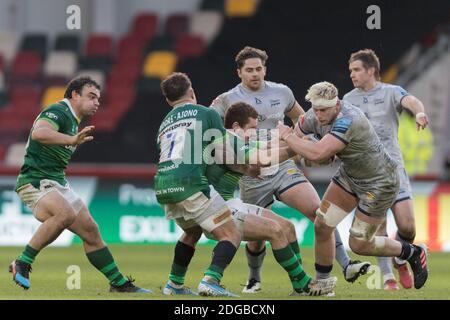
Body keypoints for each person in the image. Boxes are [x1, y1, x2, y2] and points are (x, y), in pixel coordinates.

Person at [210, 46, 369, 293]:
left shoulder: (282, 92)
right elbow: (211, 129)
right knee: (258, 235)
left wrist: (308, 144)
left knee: (319, 212)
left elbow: (302, 119)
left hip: (283, 165)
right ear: (239, 72)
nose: (255, 74)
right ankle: (254, 278)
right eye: (249, 70)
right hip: (252, 174)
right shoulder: (226, 100)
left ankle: (346, 264)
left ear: (265, 69)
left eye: (259, 69)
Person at [277, 81, 429, 290]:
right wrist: (263, 155)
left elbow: (318, 153)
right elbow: (296, 143)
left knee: (359, 245)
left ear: (337, 104)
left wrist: (289, 138)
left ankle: (412, 252)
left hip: (379, 183)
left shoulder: (349, 119)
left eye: (324, 110)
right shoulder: (312, 115)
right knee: (322, 224)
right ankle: (323, 285)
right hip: (350, 176)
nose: (319, 115)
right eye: (316, 109)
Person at [10, 77, 150, 293]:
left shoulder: (73, 120)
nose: (97, 103)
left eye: (98, 99)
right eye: (91, 96)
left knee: (91, 232)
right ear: (74, 95)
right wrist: (71, 140)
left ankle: (118, 283)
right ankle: (23, 262)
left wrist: (71, 139)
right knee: (64, 214)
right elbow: (39, 133)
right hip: (36, 180)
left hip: (56, 182)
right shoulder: (59, 111)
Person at [344, 49, 429, 290]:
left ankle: (401, 258)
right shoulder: (348, 99)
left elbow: (410, 100)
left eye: (357, 70)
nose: (352, 74)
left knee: (408, 226)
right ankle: (388, 277)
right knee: (377, 227)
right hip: (368, 175)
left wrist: (419, 112)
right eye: (351, 70)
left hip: (394, 169)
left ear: (371, 70)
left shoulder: (390, 92)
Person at [156, 72, 242, 297]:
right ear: (192, 92)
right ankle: (211, 280)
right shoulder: (207, 113)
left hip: (163, 186)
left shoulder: (164, 123)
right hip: (191, 184)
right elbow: (225, 155)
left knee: (192, 232)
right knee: (231, 234)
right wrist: (249, 167)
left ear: (168, 101)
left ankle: (174, 285)